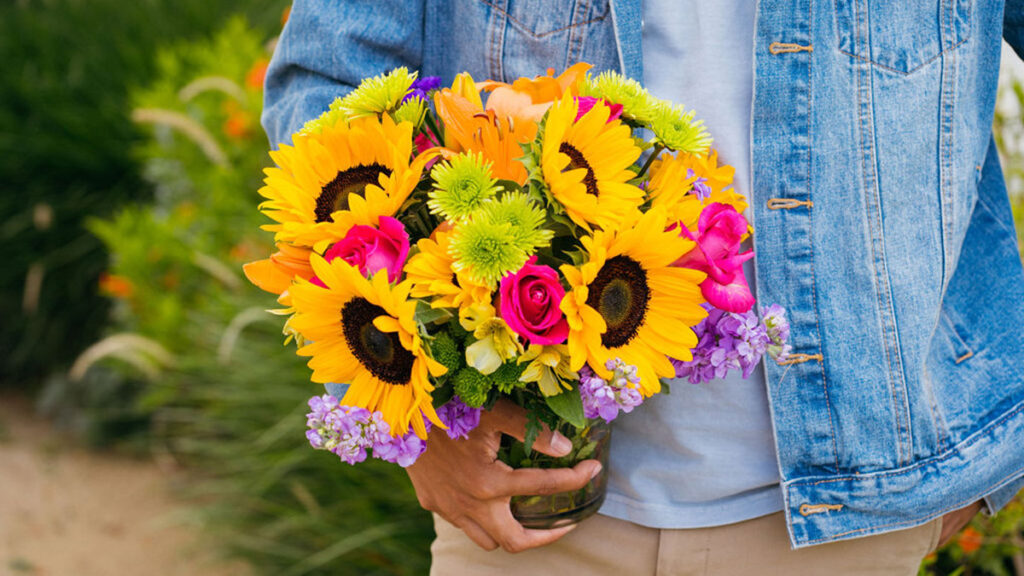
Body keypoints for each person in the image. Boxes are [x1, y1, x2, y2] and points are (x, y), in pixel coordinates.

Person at [262, 1, 1024, 573]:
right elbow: (327, 88)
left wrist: (975, 444)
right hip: (527, 514)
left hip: (847, 525)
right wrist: (417, 419)